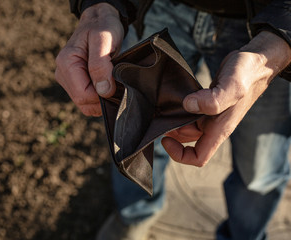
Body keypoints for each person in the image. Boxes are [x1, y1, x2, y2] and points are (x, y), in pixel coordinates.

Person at [55, 0, 291, 239]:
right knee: (131, 137)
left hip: (266, 20)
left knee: (260, 165)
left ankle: (246, 235)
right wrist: (99, 6)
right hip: (156, 8)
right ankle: (135, 215)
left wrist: (276, 47)